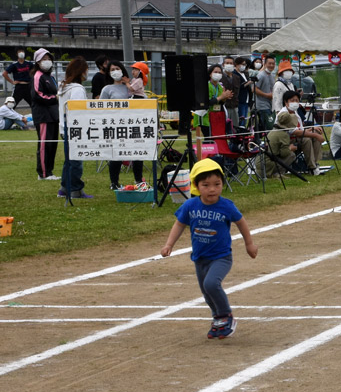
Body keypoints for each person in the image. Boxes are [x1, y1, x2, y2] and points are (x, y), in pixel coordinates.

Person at [160, 158, 258, 340]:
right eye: (206, 185)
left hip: (221, 256)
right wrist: (169, 244)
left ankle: (227, 316)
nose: (212, 189)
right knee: (206, 293)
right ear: (196, 186)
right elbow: (179, 224)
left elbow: (241, 222)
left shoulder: (226, 206)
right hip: (200, 257)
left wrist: (249, 243)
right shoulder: (190, 205)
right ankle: (218, 319)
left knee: (211, 284)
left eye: (217, 184)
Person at [100, 61, 149, 190]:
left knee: (137, 153)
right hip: (116, 126)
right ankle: (114, 182)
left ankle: (139, 180)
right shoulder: (107, 89)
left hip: (133, 125)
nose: (115, 71)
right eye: (112, 69)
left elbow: (143, 99)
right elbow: (101, 108)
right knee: (116, 155)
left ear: (122, 70)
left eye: (117, 68)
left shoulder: (131, 85)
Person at [57, 56, 93, 199]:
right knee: (76, 161)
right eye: (86, 70)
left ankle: (64, 188)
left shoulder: (63, 88)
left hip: (64, 128)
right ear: (81, 72)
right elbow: (79, 112)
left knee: (69, 160)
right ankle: (75, 190)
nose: (87, 73)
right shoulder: (77, 89)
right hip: (75, 129)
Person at [277, 88, 325, 175]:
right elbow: (294, 132)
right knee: (307, 140)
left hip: (297, 137)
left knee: (315, 133)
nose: (295, 102)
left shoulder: (295, 112)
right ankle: (312, 168)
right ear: (286, 102)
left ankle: (315, 163)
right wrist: (314, 135)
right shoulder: (283, 114)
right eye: (292, 100)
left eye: (297, 100)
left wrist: (312, 129)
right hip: (286, 139)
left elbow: (301, 130)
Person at [31, 48, 60, 181]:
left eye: (49, 59)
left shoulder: (51, 77)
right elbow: (38, 95)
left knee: (52, 144)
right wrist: (55, 98)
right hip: (43, 115)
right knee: (44, 144)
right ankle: (43, 173)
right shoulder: (38, 76)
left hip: (53, 115)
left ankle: (49, 171)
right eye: (44, 59)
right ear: (37, 61)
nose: (47, 62)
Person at [220, 55, 246, 129]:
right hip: (224, 106)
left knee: (235, 128)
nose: (229, 65)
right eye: (227, 63)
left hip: (234, 106)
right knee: (224, 128)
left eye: (231, 63)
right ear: (223, 65)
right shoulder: (220, 77)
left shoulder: (236, 77)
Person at [254, 56, 276, 131]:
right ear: (265, 64)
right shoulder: (261, 75)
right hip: (262, 105)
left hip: (270, 105)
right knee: (267, 127)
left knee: (269, 126)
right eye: (269, 63)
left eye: (273, 64)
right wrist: (267, 95)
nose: (271, 65)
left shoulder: (272, 76)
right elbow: (254, 89)